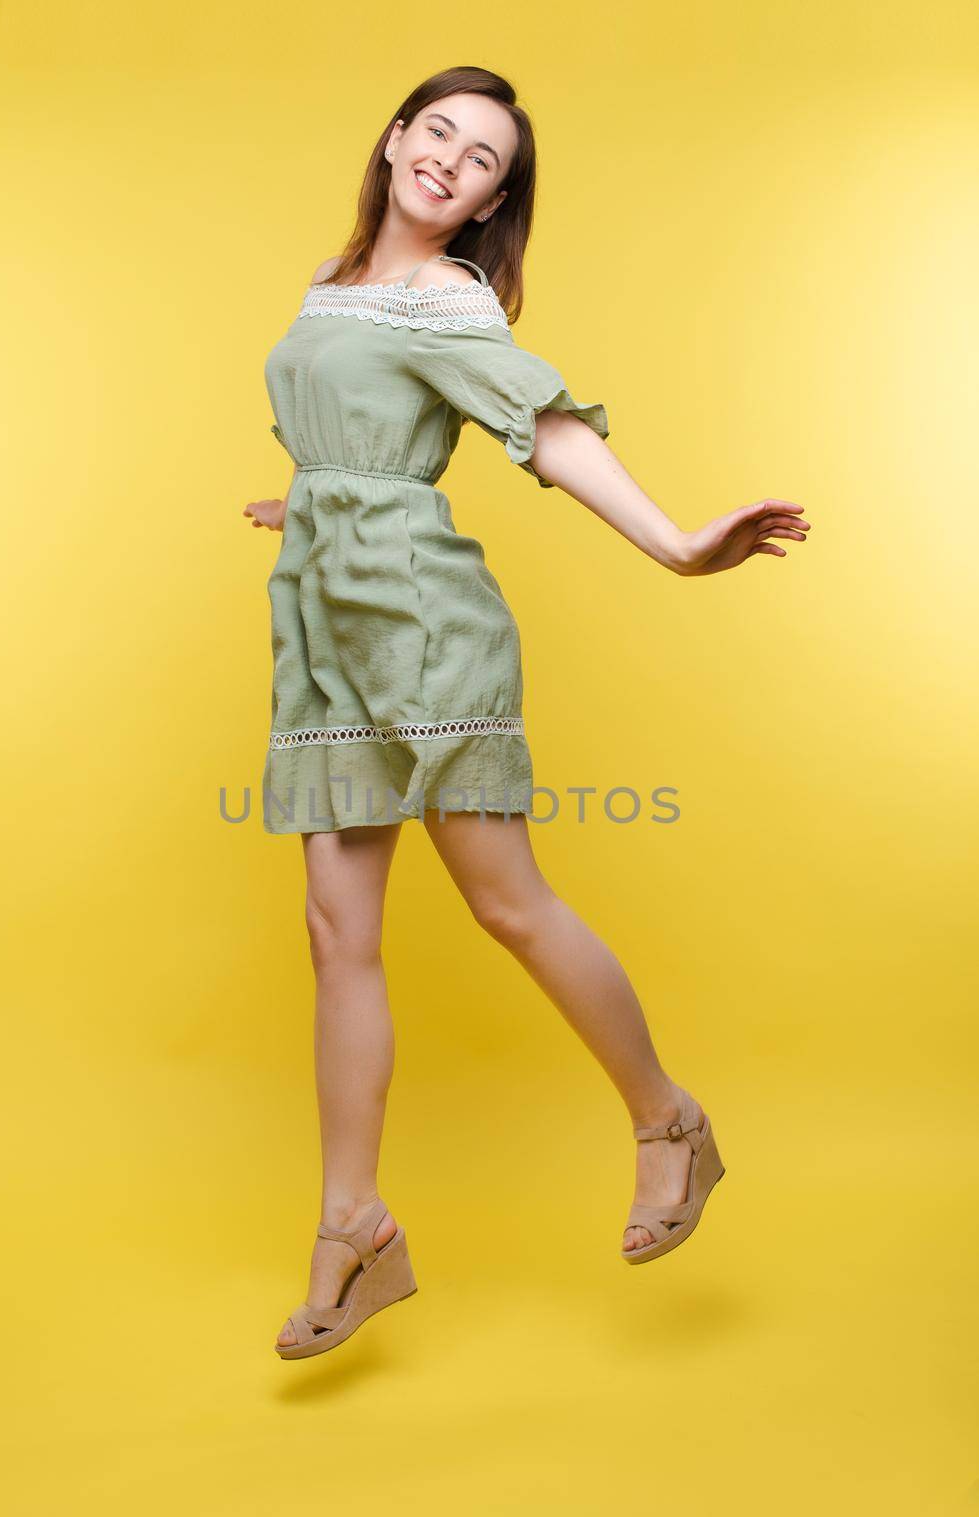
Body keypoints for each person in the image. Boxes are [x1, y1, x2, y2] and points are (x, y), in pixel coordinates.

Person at [243, 67, 809, 1361]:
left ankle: (669, 1122)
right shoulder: (334, 285)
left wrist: (675, 542)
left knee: (507, 902)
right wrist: (319, 496)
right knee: (339, 934)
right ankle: (355, 1229)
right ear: (393, 141)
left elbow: (543, 427)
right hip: (328, 626)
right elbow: (356, 420)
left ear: (497, 197)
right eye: (436, 131)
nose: (451, 158)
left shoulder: (450, 300)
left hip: (427, 630)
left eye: (483, 156)